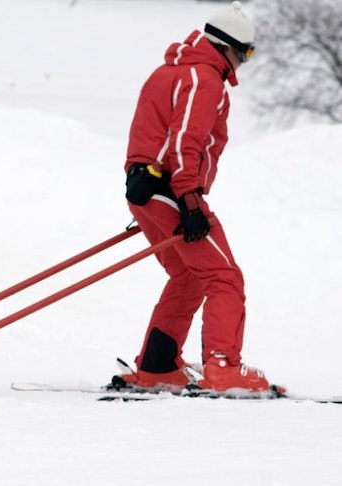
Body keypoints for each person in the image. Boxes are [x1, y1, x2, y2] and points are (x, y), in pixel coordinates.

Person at [118, 1, 270, 393]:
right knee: (224, 277)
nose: (243, 63)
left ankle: (158, 367)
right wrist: (189, 201)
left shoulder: (170, 71)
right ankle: (223, 368)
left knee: (189, 276)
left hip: (146, 188)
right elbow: (185, 141)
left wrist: (156, 197)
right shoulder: (204, 78)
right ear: (227, 46)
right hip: (171, 189)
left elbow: (156, 135)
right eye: (246, 53)